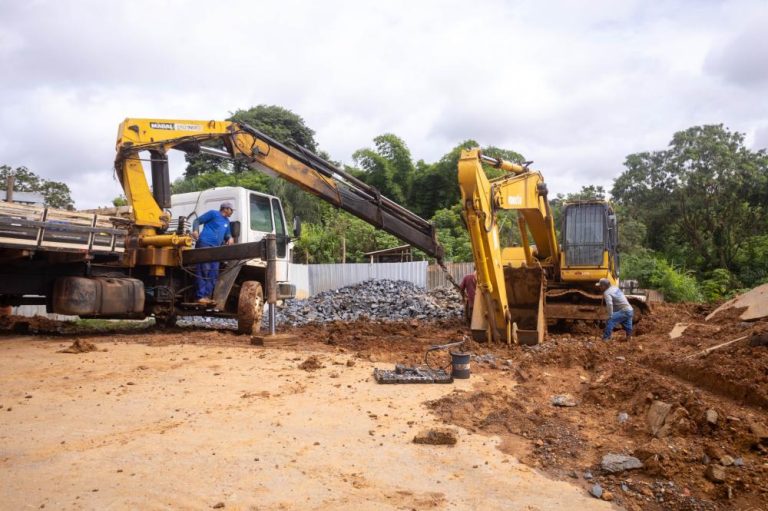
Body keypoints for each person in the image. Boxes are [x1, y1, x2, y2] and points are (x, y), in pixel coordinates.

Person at [191, 202, 235, 304]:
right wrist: (196, 231)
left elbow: (227, 234)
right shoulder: (213, 214)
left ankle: (206, 296)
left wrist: (230, 238)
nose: (232, 212)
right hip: (204, 244)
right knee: (204, 270)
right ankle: (200, 296)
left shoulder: (227, 222)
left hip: (216, 249)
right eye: (231, 210)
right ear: (226, 209)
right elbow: (197, 221)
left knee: (214, 273)